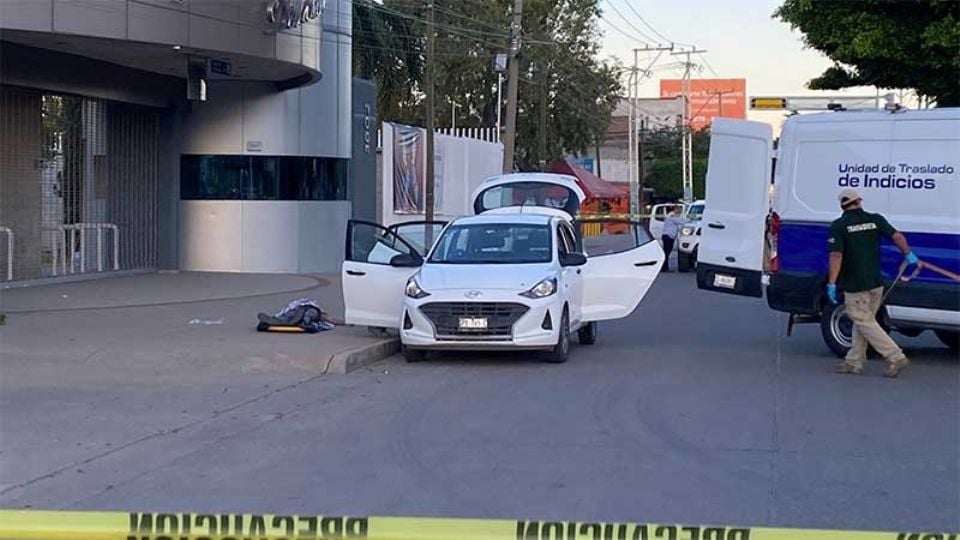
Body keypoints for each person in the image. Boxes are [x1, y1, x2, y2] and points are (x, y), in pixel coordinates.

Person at [827, 189, 918, 378]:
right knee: (864, 321)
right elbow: (897, 236)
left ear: (842, 206)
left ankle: (895, 356)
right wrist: (908, 254)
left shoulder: (839, 226)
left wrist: (832, 283)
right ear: (859, 201)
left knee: (863, 321)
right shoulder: (875, 219)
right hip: (876, 283)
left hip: (855, 285)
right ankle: (854, 361)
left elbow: (836, 255)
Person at [660, 206, 685, 271]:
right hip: (668, 236)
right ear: (675, 209)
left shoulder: (672, 215)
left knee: (667, 252)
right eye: (679, 210)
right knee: (666, 253)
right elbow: (681, 222)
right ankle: (664, 267)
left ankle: (665, 267)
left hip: (668, 236)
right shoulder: (672, 216)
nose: (680, 211)